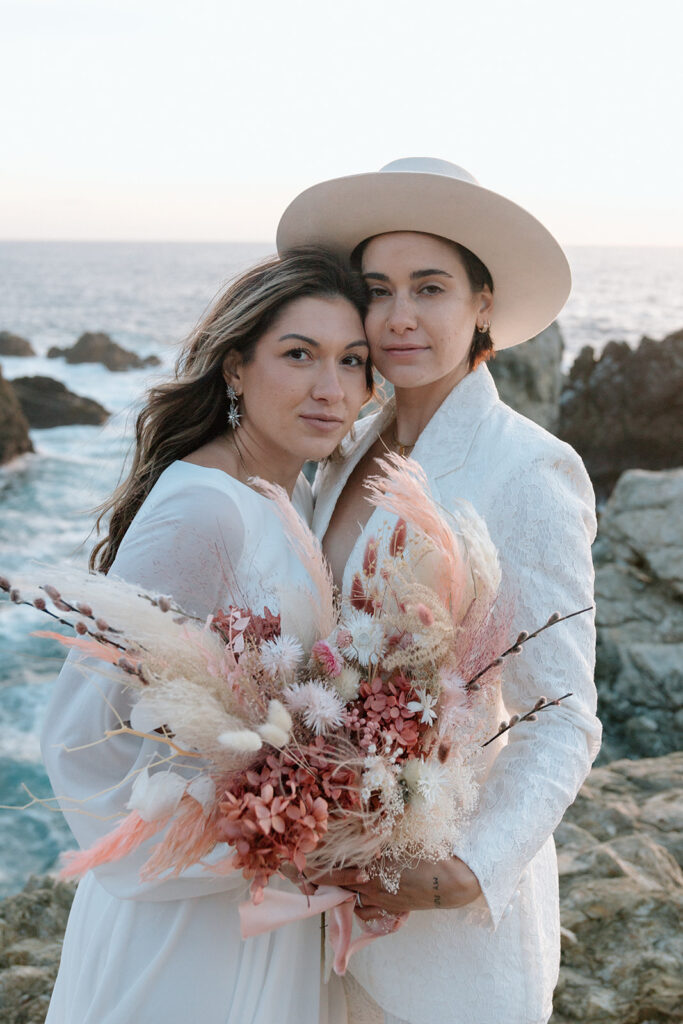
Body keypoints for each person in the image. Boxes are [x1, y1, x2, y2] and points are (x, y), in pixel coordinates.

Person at [276, 159, 601, 1024]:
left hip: (446, 923)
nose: (399, 317)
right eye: (377, 291)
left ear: (482, 303)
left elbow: (563, 711)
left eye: (430, 287)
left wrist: (469, 869)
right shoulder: (338, 450)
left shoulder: (527, 468)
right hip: (312, 902)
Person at [41, 247, 372, 1024]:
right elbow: (81, 737)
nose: (332, 389)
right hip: (188, 923)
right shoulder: (204, 510)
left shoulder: (291, 497)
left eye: (352, 362)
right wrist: (262, 839)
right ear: (234, 368)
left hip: (263, 906)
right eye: (299, 355)